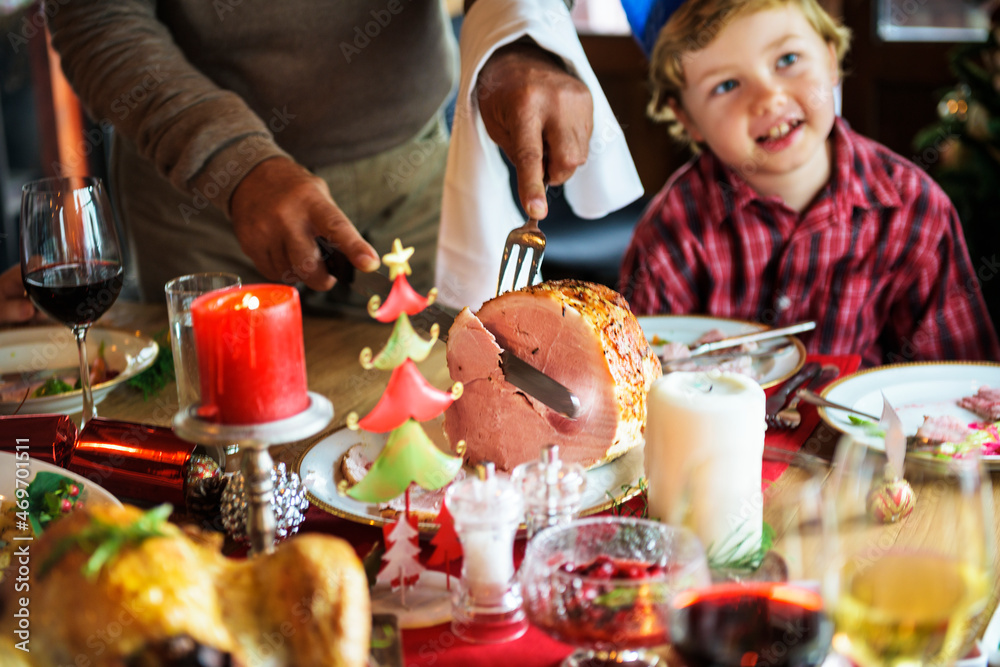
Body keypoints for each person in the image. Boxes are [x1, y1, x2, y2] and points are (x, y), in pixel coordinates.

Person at [43, 1, 597, 301]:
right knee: (214, 468)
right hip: (200, 205)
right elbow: (96, 17)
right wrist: (234, 165)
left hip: (415, 178)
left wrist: (520, 40)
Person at [618, 0, 1000, 365]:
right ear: (687, 118)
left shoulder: (915, 212)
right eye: (727, 85)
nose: (769, 97)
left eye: (787, 60)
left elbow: (957, 380)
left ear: (831, 59)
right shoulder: (670, 235)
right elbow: (636, 383)